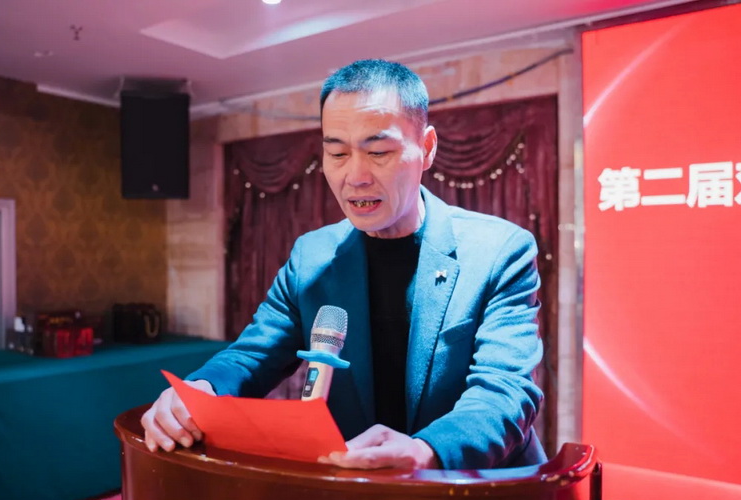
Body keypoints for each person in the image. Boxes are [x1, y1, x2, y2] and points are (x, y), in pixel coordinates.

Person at [142, 59, 546, 470]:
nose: (355, 176)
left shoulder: (498, 250)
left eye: (378, 152)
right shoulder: (311, 256)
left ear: (426, 149)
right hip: (354, 485)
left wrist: (425, 450)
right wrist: (200, 389)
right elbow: (251, 355)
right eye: (337, 153)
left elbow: (504, 390)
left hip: (474, 487)